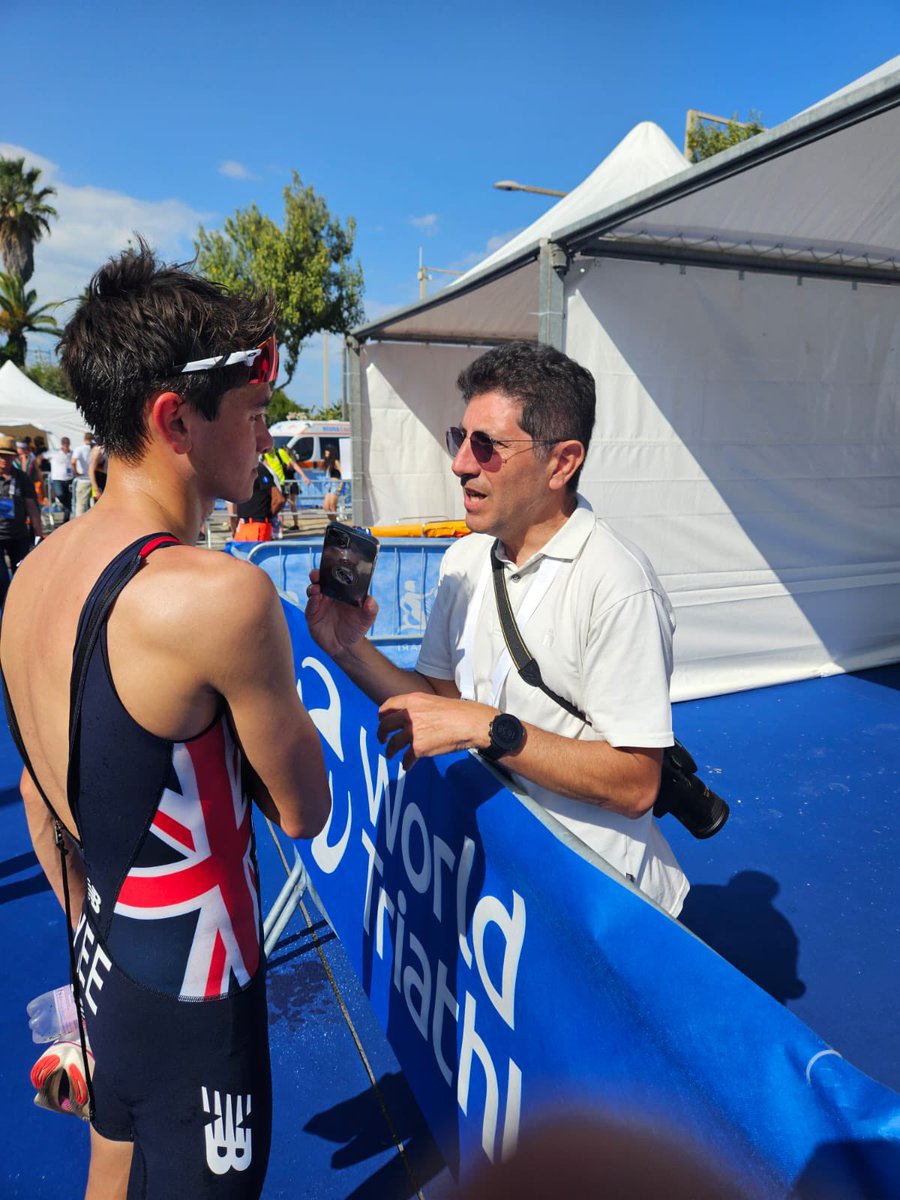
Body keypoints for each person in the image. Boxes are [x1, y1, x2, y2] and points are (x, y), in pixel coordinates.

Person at [0, 241, 331, 1199]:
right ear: (173, 417)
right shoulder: (214, 599)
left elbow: (35, 789)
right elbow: (303, 810)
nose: (267, 437)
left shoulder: (31, 575)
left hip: (108, 959)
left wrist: (92, 930)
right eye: (256, 411)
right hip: (198, 1000)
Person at [307, 341, 687, 917]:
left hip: (603, 903)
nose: (461, 463)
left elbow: (636, 784)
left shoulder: (618, 584)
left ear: (561, 462)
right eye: (460, 439)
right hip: (510, 888)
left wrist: (490, 728)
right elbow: (440, 702)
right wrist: (348, 648)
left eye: (486, 446)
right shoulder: (464, 560)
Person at [0, 435, 43, 607]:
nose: (5, 459)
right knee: (1, 579)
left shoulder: (22, 478)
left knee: (21, 577)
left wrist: (39, 534)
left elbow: (32, 507)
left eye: (8, 455)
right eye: (1, 455)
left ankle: (18, 609)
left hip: (19, 535)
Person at [229, 456, 285, 542]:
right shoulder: (241, 470)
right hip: (243, 525)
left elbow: (279, 500)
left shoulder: (259, 469)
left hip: (257, 526)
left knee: (253, 554)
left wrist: (267, 516)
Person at [48, 436, 74, 523]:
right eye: (64, 443)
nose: (66, 445)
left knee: (69, 499)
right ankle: (63, 505)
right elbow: (41, 457)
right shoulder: (55, 453)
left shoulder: (72, 453)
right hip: (57, 479)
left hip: (69, 478)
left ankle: (66, 520)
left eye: (67, 443)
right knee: (60, 494)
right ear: (62, 444)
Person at [71, 432, 94, 517]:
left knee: (81, 504)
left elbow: (73, 462)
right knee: (94, 504)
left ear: (84, 439)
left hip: (83, 479)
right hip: (95, 479)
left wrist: (76, 473)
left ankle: (80, 526)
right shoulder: (95, 448)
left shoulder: (79, 449)